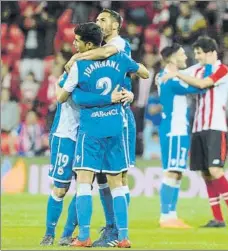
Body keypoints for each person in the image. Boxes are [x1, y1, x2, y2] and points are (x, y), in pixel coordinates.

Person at [56, 22, 149, 248]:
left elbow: (64, 98)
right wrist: (125, 92)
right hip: (116, 127)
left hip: (91, 131)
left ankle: (84, 235)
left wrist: (81, 93)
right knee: (117, 183)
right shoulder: (121, 59)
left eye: (77, 40)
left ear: (88, 44)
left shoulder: (80, 65)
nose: (74, 43)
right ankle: (123, 237)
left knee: (84, 183)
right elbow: (144, 73)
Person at [40, 64, 124, 246]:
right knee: (61, 189)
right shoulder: (72, 74)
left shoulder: (96, 75)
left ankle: (67, 234)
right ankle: (49, 233)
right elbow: (66, 95)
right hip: (65, 136)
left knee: (84, 186)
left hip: (88, 136)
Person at [162, 36, 228, 228]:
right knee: (205, 173)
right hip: (198, 127)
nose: (196, 56)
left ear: (211, 53)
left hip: (215, 126)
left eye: (199, 53)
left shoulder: (222, 70)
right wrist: (169, 72)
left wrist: (177, 75)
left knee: (215, 170)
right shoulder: (196, 69)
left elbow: (203, 84)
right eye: (195, 53)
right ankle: (218, 218)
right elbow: (177, 72)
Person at [157, 43, 205, 228]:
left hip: (177, 129)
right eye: (182, 54)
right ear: (172, 58)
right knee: (171, 172)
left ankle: (171, 215)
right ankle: (165, 216)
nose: (186, 57)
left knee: (176, 173)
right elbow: (199, 87)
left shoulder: (167, 76)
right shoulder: (170, 80)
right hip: (174, 130)